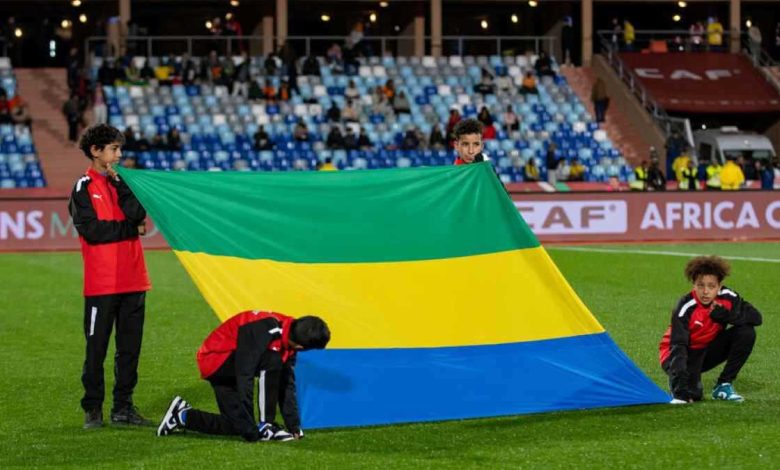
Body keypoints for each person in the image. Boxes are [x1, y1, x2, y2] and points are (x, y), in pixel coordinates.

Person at [68, 124, 151, 429]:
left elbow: (138, 215)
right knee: (96, 350)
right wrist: (130, 230)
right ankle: (92, 408)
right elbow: (92, 231)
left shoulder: (125, 182)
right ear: (96, 151)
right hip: (101, 284)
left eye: (119, 149)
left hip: (135, 280)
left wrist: (121, 185)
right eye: (114, 149)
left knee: (129, 350)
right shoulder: (82, 187)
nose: (119, 155)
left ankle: (123, 407)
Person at [156, 312, 330, 441]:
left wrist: (294, 426)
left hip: (232, 364)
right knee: (273, 360)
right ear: (301, 347)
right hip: (216, 360)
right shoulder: (265, 330)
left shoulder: (290, 334)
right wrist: (257, 423)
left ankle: (182, 415)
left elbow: (287, 384)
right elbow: (244, 372)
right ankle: (266, 424)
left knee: (239, 426)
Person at [659, 256, 762, 404]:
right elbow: (678, 345)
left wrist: (726, 316)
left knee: (746, 332)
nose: (706, 291)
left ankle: (723, 385)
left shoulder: (727, 297)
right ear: (694, 285)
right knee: (692, 395)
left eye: (711, 286)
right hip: (677, 354)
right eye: (700, 285)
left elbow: (756, 318)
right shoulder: (685, 306)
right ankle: (677, 381)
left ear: (719, 286)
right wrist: (680, 387)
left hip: (705, 350)